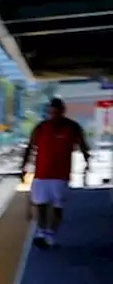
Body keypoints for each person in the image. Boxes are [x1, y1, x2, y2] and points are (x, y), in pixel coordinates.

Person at [21, 97, 90, 248]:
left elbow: (83, 145)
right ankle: (41, 232)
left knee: (57, 207)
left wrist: (87, 162)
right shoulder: (40, 128)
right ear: (48, 112)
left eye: (57, 112)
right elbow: (30, 147)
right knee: (41, 205)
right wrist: (24, 166)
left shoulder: (72, 127)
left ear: (62, 111)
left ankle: (50, 233)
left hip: (61, 175)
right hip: (41, 174)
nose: (54, 115)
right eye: (51, 112)